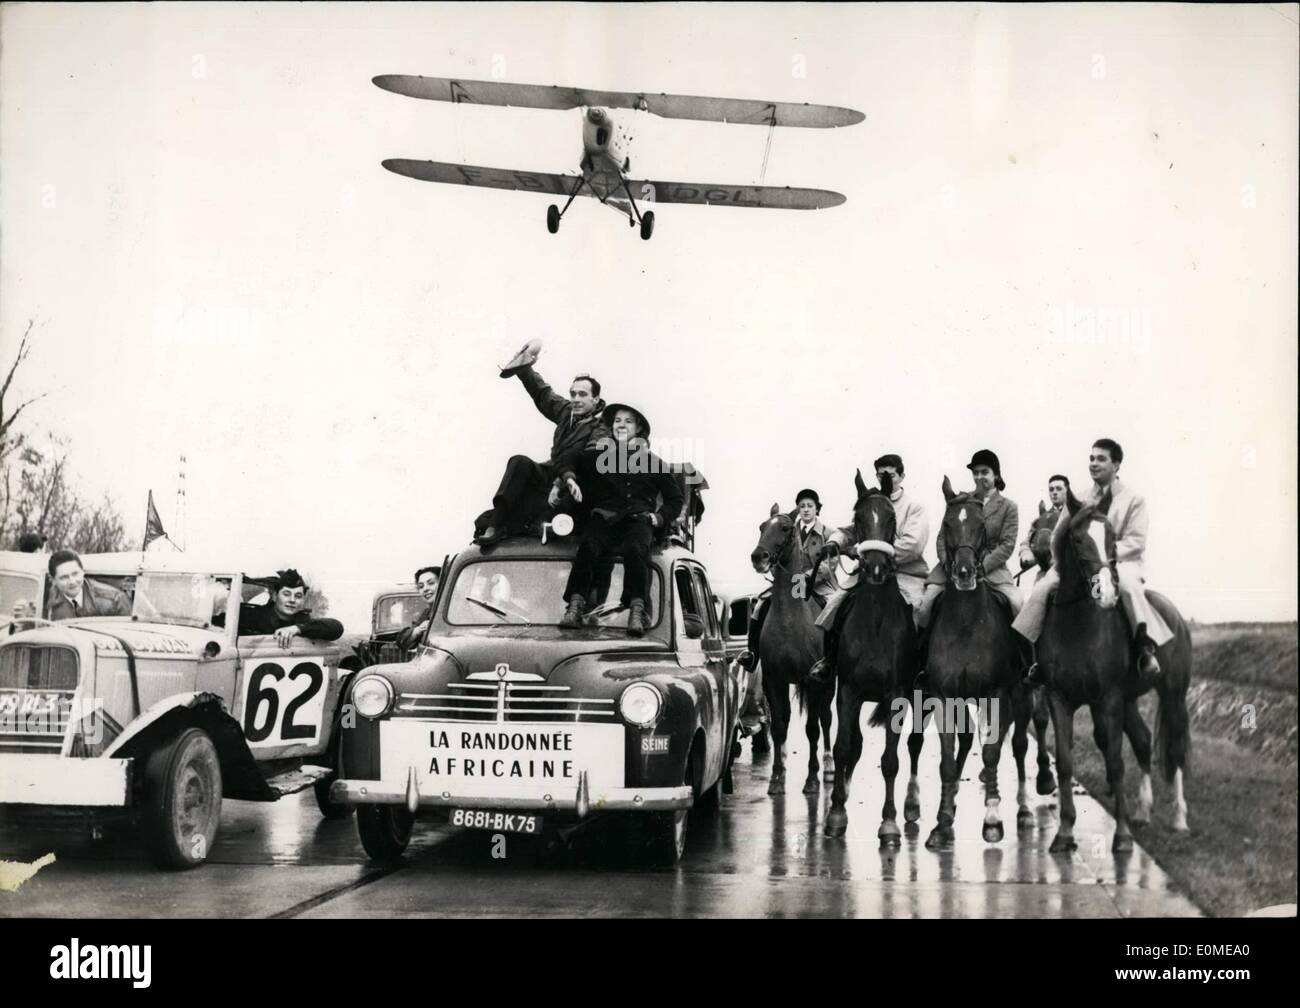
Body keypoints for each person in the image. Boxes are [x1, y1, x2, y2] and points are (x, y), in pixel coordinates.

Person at [1015, 439, 1173, 684]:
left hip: (1121, 562)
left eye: (1101, 459)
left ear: (1116, 464)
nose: (1094, 463)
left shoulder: (1133, 500)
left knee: (1128, 587)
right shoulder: (1077, 499)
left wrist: (1103, 557)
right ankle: (1038, 659)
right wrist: (1065, 562)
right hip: (1078, 564)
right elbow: (1058, 536)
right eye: (1091, 458)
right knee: (1042, 588)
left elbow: (1136, 542)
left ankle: (1144, 650)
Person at [559, 403, 683, 636]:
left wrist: (659, 517)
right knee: (588, 546)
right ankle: (575, 606)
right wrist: (569, 479)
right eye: (617, 421)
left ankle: (638, 610)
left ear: (638, 428)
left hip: (638, 520)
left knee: (637, 550)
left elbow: (675, 499)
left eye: (628, 421)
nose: (621, 425)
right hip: (604, 518)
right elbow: (569, 458)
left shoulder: (654, 462)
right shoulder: (597, 455)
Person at [807, 454, 931, 684]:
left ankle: (921, 669)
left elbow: (913, 545)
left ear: (901, 476)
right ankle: (829, 661)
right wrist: (835, 541)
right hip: (866, 571)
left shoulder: (914, 508)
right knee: (834, 604)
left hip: (904, 573)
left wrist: (869, 550)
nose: (885, 478)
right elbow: (850, 530)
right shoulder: (869, 502)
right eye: (880, 474)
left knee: (918, 609)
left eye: (890, 475)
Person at [473, 341, 610, 547]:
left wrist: (560, 483)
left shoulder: (602, 428)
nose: (575, 399)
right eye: (573, 393)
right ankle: (497, 524)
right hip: (550, 475)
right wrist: (525, 369)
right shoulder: (566, 412)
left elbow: (586, 461)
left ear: (596, 399)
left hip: (573, 488)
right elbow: (543, 393)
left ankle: (526, 523)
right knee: (519, 462)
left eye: (582, 394)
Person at [915, 448, 1021, 628]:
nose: (979, 477)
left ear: (996, 475)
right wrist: (947, 562)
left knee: (1017, 604)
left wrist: (983, 566)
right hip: (953, 565)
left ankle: (1025, 655)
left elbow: (1007, 545)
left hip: (993, 570)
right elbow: (942, 538)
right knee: (925, 604)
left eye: (984, 472)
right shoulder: (960, 501)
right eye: (975, 473)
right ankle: (919, 652)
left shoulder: (1008, 507)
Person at [231, 568, 344, 648]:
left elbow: (337, 628)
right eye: (286, 594)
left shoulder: (302, 621)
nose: (292, 600)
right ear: (275, 596)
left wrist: (296, 629)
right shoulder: (253, 615)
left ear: (303, 600)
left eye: (298, 596)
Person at [45, 550, 132, 621]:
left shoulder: (115, 600)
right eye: (64, 577)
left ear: (83, 572)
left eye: (75, 574)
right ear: (53, 581)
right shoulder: (47, 601)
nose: (72, 581)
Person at [1017, 474, 1069, 580]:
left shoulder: (1077, 515)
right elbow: (1027, 543)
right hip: (1045, 574)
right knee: (1035, 596)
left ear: (1067, 491)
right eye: (1051, 489)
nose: (1054, 492)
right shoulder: (1040, 520)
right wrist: (1026, 555)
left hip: (1071, 574)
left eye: (1059, 489)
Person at [396, 565, 441, 650]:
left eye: (431, 583)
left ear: (443, 584)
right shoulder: (428, 612)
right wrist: (417, 631)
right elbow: (402, 641)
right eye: (421, 586)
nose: (425, 589)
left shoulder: (456, 608)